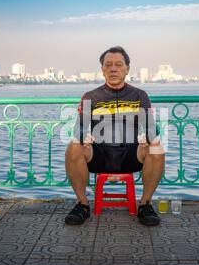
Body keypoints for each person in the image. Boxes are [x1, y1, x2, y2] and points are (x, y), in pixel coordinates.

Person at [64, 46, 165, 226]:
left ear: (127, 68)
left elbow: (151, 127)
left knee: (156, 146)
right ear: (102, 69)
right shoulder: (90, 96)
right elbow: (79, 127)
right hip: (99, 155)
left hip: (131, 155)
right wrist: (83, 137)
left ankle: (145, 204)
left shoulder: (139, 95)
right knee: (73, 146)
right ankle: (82, 204)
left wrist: (148, 137)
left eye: (119, 64)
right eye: (108, 65)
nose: (113, 69)